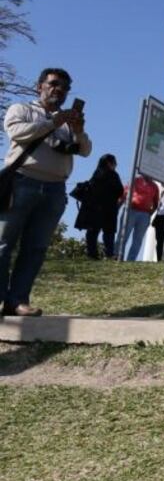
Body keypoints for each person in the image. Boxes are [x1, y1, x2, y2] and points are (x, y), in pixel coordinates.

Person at [1, 68, 91, 316]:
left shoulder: (67, 122)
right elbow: (17, 133)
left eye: (64, 87)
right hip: (21, 182)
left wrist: (79, 130)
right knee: (3, 243)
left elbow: (85, 150)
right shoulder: (22, 109)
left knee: (36, 248)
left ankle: (17, 301)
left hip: (55, 189)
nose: (58, 89)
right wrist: (53, 122)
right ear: (39, 86)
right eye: (53, 84)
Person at [75, 154, 124, 259]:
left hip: (94, 208)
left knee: (92, 232)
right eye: (114, 162)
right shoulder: (113, 175)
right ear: (109, 163)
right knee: (108, 233)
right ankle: (109, 254)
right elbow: (120, 191)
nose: (116, 165)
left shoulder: (96, 173)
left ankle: (92, 254)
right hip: (109, 208)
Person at [119, 173, 160, 261]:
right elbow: (124, 194)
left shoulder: (154, 186)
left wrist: (149, 214)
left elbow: (156, 203)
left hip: (144, 214)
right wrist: (117, 207)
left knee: (138, 239)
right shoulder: (135, 181)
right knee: (123, 235)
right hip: (131, 210)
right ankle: (117, 256)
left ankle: (131, 259)